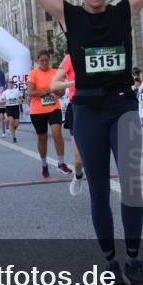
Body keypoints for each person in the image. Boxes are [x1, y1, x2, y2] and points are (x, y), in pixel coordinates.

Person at [24, 0, 143, 285]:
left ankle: (133, 260)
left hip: (122, 107)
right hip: (87, 111)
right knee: (99, 190)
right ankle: (111, 264)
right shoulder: (69, 15)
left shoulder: (124, 11)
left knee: (131, 185)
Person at [28, 50, 71, 178]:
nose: (45, 62)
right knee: (42, 138)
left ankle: (61, 163)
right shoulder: (33, 73)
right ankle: (44, 164)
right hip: (37, 110)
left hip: (54, 108)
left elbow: (62, 93)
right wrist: (46, 92)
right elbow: (30, 92)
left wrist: (56, 91)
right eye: (42, 60)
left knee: (57, 133)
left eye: (47, 60)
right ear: (38, 61)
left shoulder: (55, 73)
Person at [51, 54, 85, 195]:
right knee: (78, 158)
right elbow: (54, 84)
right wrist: (74, 83)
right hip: (76, 106)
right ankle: (78, 177)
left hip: (98, 106)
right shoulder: (70, 57)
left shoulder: (100, 51)